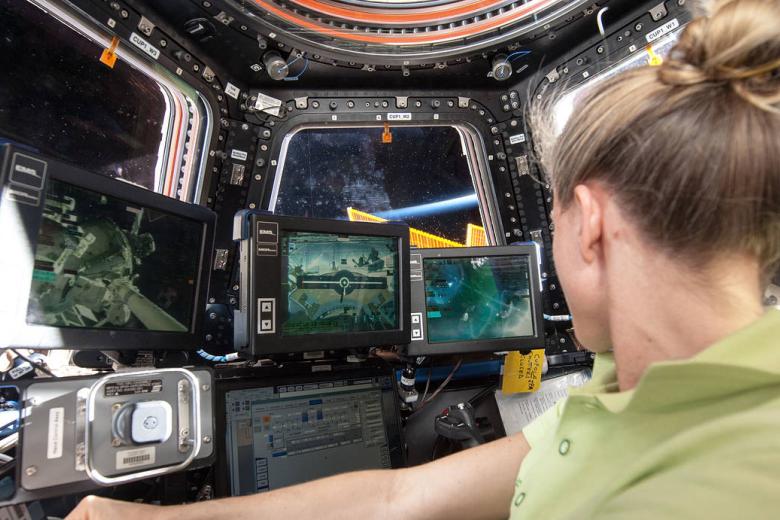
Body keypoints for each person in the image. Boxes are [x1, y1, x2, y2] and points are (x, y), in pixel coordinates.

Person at [66, 0, 780, 518]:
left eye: (553, 219)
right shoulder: (631, 394)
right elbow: (394, 497)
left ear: (588, 225)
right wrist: (149, 519)